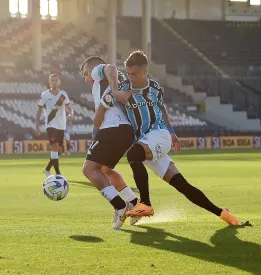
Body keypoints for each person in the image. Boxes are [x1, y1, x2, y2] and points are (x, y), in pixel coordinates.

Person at [99, 50, 242, 226]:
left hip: (159, 135)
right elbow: (109, 76)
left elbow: (162, 108)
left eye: (134, 74)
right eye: (128, 73)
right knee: (182, 185)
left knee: (133, 155)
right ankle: (223, 213)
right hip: (145, 143)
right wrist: (114, 92)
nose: (130, 77)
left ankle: (145, 204)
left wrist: (171, 132)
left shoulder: (155, 88)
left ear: (145, 71)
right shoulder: (124, 89)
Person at [80, 56, 139, 229]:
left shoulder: (100, 72)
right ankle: (133, 202)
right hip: (124, 130)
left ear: (93, 68)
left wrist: (114, 91)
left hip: (112, 128)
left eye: (86, 73)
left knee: (89, 169)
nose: (86, 78)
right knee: (104, 170)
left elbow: (110, 67)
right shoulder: (111, 80)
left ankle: (119, 206)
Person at [35, 74, 72, 176]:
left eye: (56, 80)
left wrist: (70, 114)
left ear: (59, 82)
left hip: (62, 125)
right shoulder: (45, 95)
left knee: (59, 151)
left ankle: (47, 169)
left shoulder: (63, 95)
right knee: (54, 146)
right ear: (49, 82)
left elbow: (69, 108)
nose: (54, 82)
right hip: (51, 124)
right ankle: (58, 174)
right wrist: (37, 126)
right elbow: (38, 111)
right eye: (52, 80)